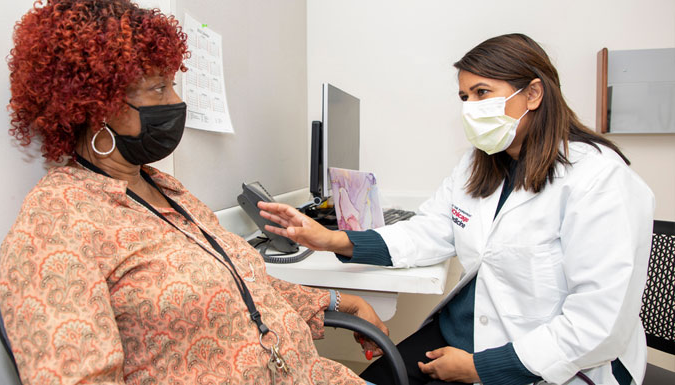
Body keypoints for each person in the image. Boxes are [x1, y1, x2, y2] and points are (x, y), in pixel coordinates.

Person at [0, 1, 386, 384]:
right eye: (157, 89)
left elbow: (244, 286)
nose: (175, 103)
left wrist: (342, 301)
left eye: (172, 85)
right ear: (98, 105)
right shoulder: (55, 223)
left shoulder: (166, 189)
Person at [259, 33, 655, 385]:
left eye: (482, 93)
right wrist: (333, 239)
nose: (470, 108)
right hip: (460, 334)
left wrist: (482, 368)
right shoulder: (478, 163)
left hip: (547, 360)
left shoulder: (599, 179)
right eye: (465, 97)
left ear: (533, 94)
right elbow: (430, 231)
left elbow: (599, 322)